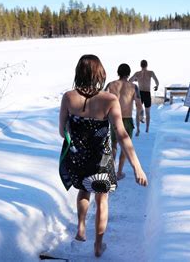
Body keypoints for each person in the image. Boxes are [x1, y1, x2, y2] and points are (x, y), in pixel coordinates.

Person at [59, 55, 148, 257]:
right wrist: (137, 167)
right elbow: (122, 134)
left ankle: (81, 230)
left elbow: (61, 130)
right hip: (101, 159)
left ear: (78, 72)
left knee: (83, 191)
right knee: (102, 200)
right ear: (99, 73)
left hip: (78, 158)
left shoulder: (68, 97)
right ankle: (98, 245)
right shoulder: (109, 100)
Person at [105, 63, 144, 180]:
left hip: (114, 119)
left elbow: (103, 98)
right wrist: (141, 116)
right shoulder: (133, 87)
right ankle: (119, 172)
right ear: (128, 73)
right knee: (125, 147)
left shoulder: (111, 85)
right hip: (127, 120)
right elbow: (138, 104)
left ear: (118, 72)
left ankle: (111, 171)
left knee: (114, 145)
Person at [129, 59, 159, 133]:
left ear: (140, 65)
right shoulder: (150, 73)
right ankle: (147, 129)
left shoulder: (137, 73)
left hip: (139, 94)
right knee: (148, 112)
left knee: (137, 112)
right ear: (147, 65)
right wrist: (157, 86)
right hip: (147, 93)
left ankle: (138, 129)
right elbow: (157, 81)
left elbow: (129, 81)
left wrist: (136, 80)